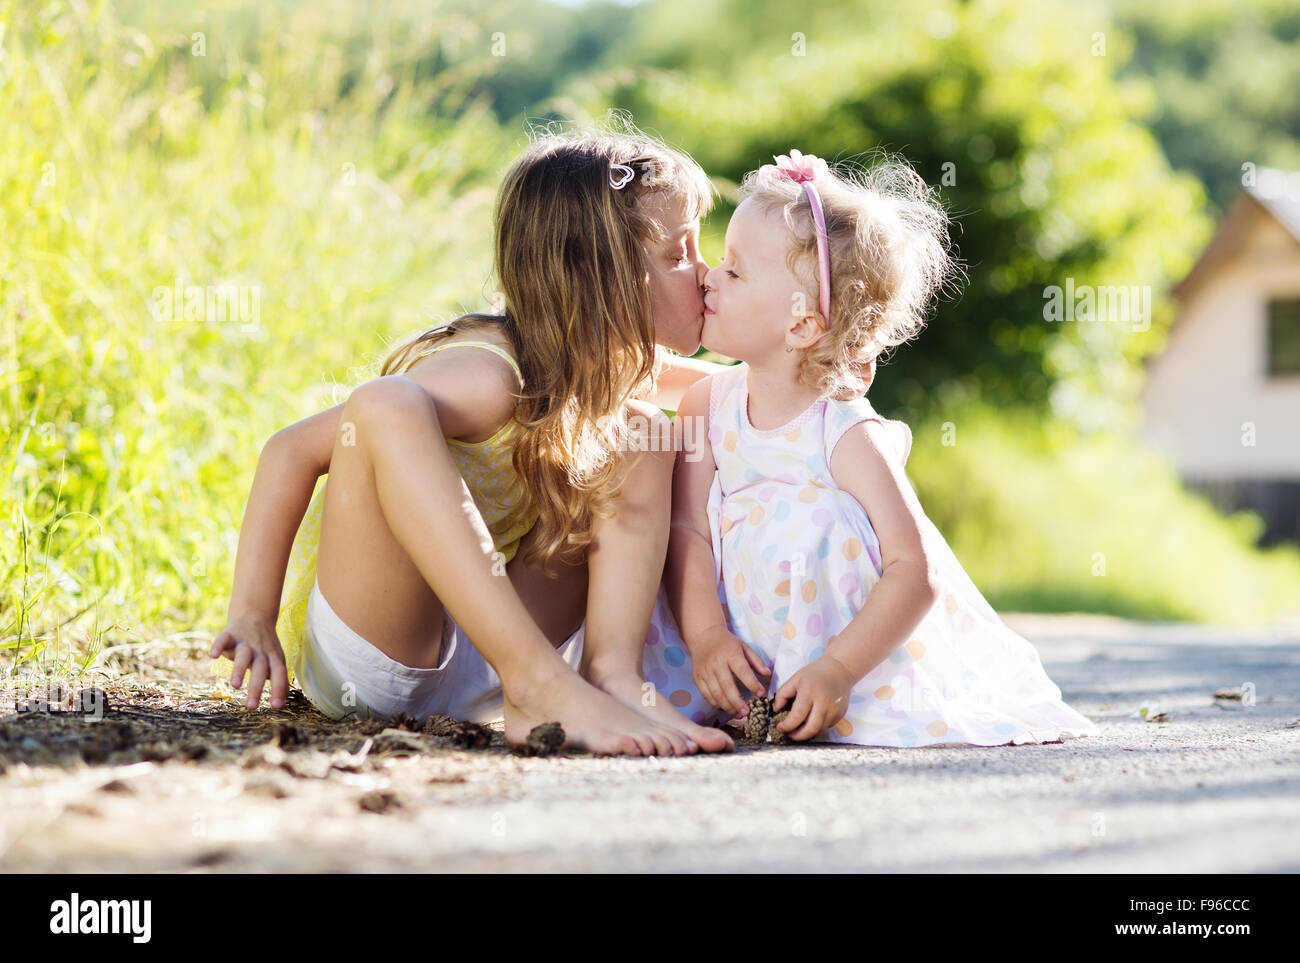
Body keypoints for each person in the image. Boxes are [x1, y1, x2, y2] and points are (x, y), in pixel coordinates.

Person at [210, 121, 739, 756]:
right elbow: (288, 449)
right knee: (384, 405)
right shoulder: (487, 374)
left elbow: (740, 393)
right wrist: (251, 615)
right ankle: (539, 683)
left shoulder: (612, 369)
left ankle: (608, 678)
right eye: (680, 254)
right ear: (601, 279)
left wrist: (822, 362)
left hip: (493, 659)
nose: (705, 275)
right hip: (383, 646)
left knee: (640, 430)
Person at [661, 150, 1099, 746]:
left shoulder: (841, 431)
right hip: (723, 642)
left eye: (735, 272)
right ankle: (727, 690)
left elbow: (914, 569)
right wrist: (706, 633)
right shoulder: (706, 406)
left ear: (801, 326)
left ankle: (813, 688)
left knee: (818, 516)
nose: (708, 275)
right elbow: (687, 530)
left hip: (839, 658)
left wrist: (838, 669)